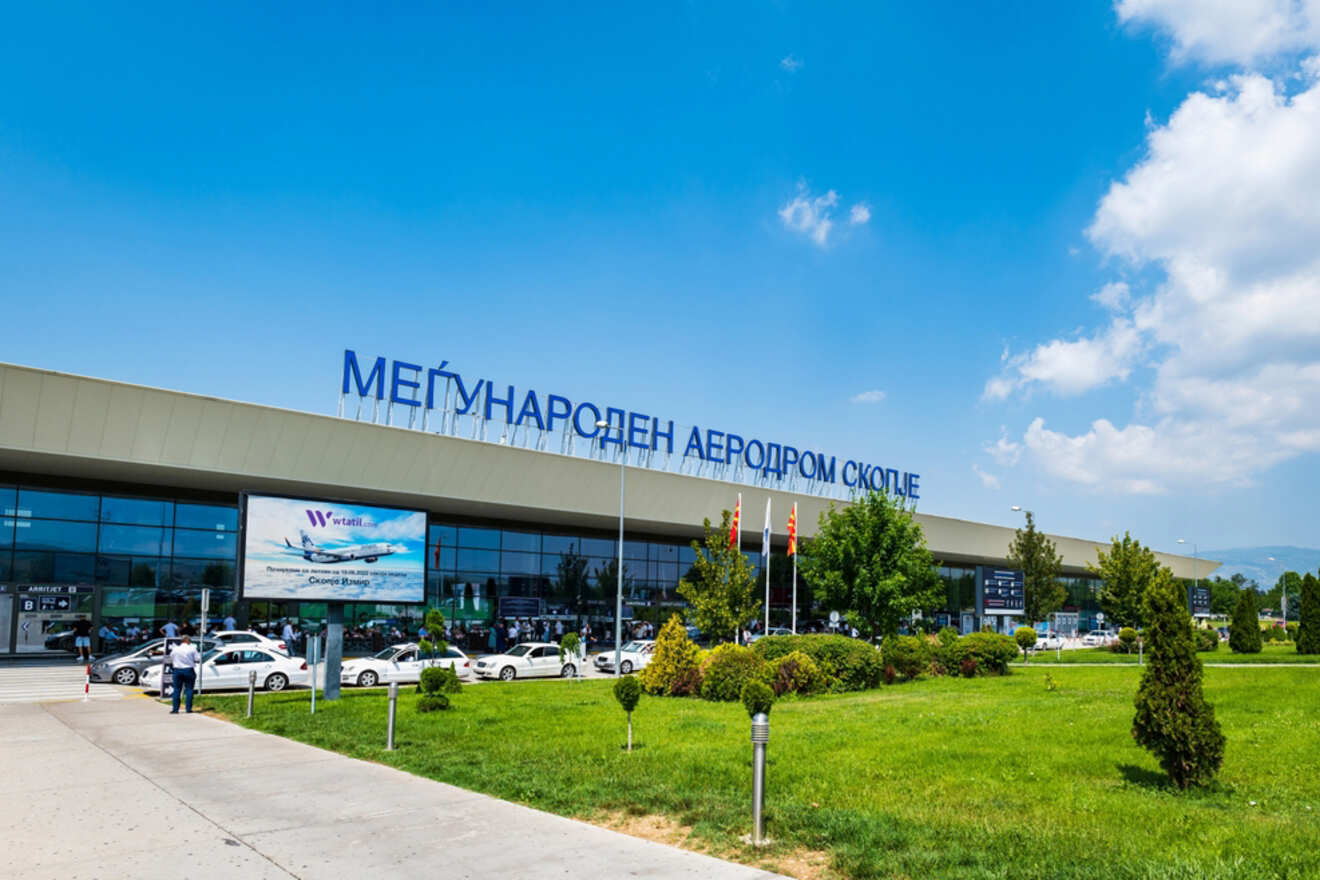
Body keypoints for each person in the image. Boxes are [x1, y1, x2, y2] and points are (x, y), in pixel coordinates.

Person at [168, 635, 200, 714]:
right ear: (187, 640)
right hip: (188, 670)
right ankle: (188, 709)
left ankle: (175, 709)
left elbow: (171, 657)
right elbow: (198, 659)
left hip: (177, 670)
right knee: (189, 689)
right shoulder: (192, 648)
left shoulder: (175, 649)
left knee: (177, 690)